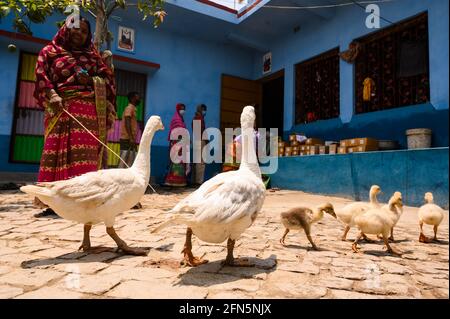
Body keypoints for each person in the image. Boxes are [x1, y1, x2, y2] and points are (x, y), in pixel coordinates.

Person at [33, 17, 116, 217]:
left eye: (85, 31)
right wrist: (52, 95)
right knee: (56, 155)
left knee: (86, 158)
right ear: (66, 29)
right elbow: (41, 76)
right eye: (76, 29)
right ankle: (55, 201)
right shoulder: (49, 52)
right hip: (61, 110)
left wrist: (92, 79)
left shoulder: (93, 57)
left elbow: (108, 80)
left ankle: (85, 199)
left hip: (90, 113)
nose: (80, 33)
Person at [164, 103, 189, 187]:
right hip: (176, 144)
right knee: (176, 162)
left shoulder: (182, 120)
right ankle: (172, 181)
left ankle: (180, 181)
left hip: (181, 144)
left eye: (184, 109)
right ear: (178, 109)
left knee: (180, 162)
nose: (183, 110)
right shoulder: (176, 119)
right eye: (181, 108)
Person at [119, 92, 140, 169]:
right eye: (137, 97)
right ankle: (120, 177)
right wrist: (131, 138)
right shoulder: (129, 108)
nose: (139, 99)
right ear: (132, 99)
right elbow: (127, 123)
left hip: (130, 139)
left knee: (131, 159)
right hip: (126, 139)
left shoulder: (133, 109)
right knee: (124, 160)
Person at [191, 104, 207, 186]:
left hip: (197, 141)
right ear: (199, 110)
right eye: (203, 109)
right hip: (200, 141)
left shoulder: (196, 118)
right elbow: (200, 131)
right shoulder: (199, 119)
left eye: (205, 109)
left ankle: (195, 180)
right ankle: (199, 181)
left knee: (197, 161)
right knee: (201, 162)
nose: (204, 111)